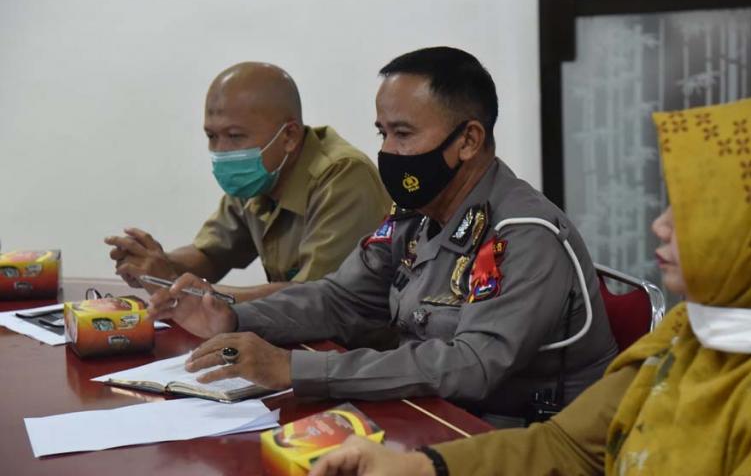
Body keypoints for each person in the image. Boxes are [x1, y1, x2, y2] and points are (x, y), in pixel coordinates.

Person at [148, 47, 617, 421]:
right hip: (429, 413)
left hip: (521, 434)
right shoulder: (415, 216)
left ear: (469, 140)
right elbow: (339, 299)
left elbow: (471, 366)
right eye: (383, 133)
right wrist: (232, 318)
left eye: (403, 134)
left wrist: (295, 368)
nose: (388, 152)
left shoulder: (523, 235)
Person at [308, 96, 751, 475]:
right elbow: (566, 445)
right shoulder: (684, 336)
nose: (660, 226)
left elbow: (472, 367)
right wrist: (420, 467)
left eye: (692, 211)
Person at [105, 62, 391, 302]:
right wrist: (154, 263)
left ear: (289, 136)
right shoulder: (260, 176)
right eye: (211, 136)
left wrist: (186, 290)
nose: (220, 151)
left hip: (358, 345)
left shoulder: (342, 175)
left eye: (235, 136)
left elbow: (313, 299)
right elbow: (209, 255)